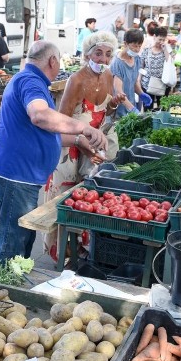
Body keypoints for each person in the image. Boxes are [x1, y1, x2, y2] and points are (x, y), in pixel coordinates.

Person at [0, 40, 106, 265]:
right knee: (11, 244)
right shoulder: (30, 81)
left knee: (21, 240)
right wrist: (83, 126)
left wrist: (79, 140)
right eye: (58, 62)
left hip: (19, 174)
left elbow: (45, 133)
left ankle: (13, 289)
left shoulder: (29, 80)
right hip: (15, 175)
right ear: (52, 61)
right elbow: (40, 116)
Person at [43, 31, 123, 261]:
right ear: (88, 54)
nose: (103, 59)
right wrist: (81, 141)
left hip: (93, 149)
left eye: (108, 54)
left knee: (88, 201)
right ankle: (62, 256)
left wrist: (114, 106)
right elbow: (60, 122)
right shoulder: (75, 80)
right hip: (71, 150)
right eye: (98, 53)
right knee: (64, 203)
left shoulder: (108, 77)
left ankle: (81, 253)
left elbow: (103, 114)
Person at [111, 28, 147, 115]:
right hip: (119, 110)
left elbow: (134, 82)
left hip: (131, 104)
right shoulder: (117, 63)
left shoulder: (137, 59)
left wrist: (141, 93)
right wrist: (132, 109)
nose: (137, 49)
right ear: (125, 43)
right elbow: (118, 92)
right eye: (134, 46)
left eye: (139, 46)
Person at [140, 26, 171, 108]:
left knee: (162, 108)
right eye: (159, 39)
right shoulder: (147, 49)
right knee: (147, 108)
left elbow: (170, 63)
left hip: (163, 84)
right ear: (154, 37)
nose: (161, 42)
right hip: (147, 83)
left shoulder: (167, 49)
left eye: (163, 40)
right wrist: (138, 81)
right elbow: (141, 67)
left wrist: (165, 50)